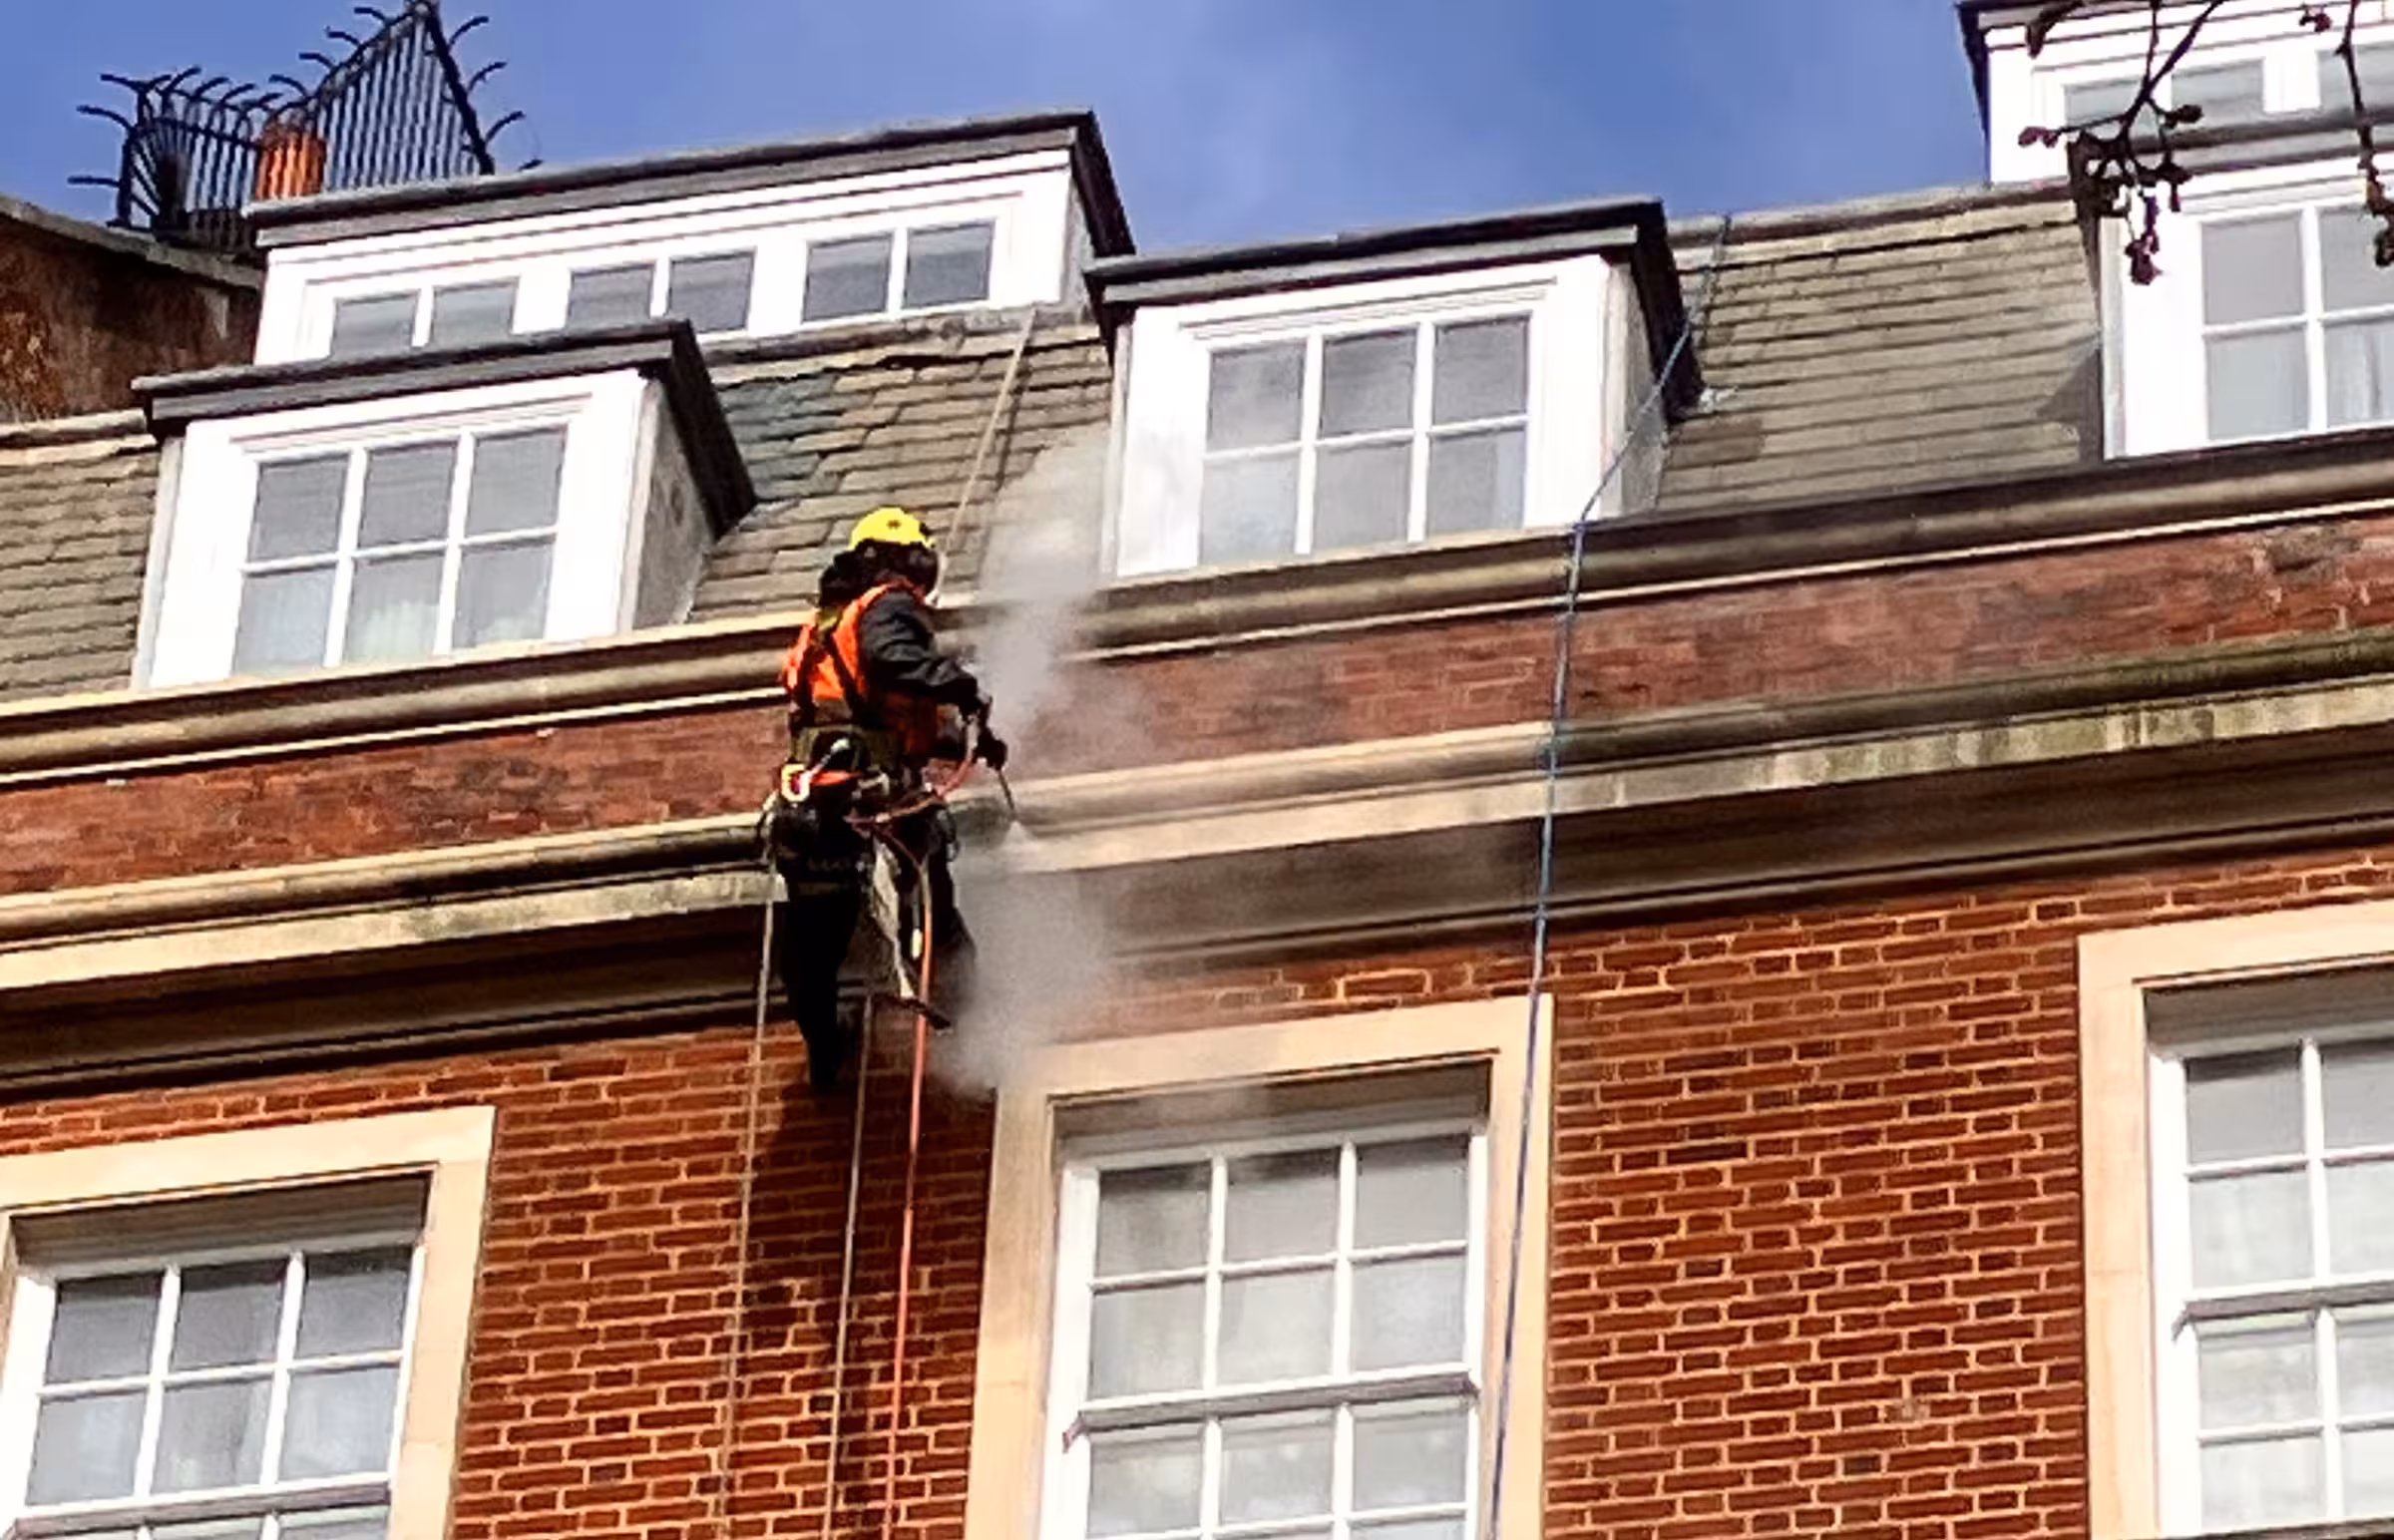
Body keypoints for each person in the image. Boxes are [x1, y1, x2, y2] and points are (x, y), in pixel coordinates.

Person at [769, 507, 1007, 1092]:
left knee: (813, 943)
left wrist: (965, 741)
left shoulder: (831, 622)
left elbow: (872, 711)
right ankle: (978, 1029)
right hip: (878, 804)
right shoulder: (889, 603)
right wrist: (961, 684)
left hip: (817, 809)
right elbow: (894, 660)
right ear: (908, 559)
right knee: (938, 920)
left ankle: (825, 1044)